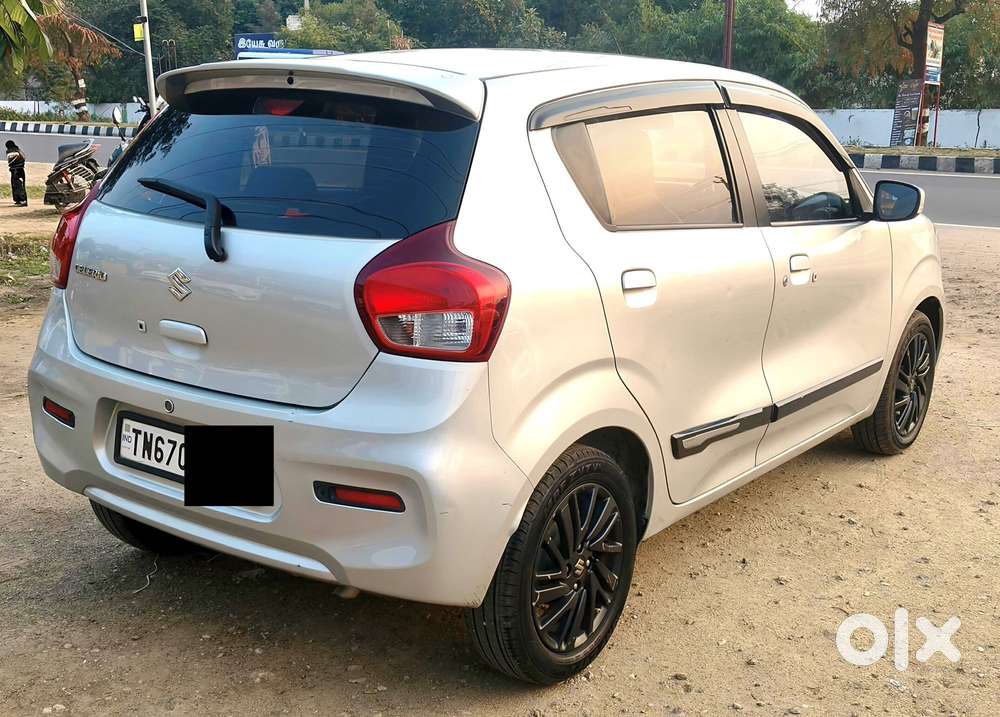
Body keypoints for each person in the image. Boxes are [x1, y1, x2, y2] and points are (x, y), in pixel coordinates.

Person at [6, 140, 28, 206]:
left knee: (18, 186)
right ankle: (18, 200)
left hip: (16, 170)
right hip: (19, 170)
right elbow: (23, 158)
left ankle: (22, 200)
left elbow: (11, 162)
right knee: (16, 185)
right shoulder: (18, 150)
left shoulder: (11, 151)